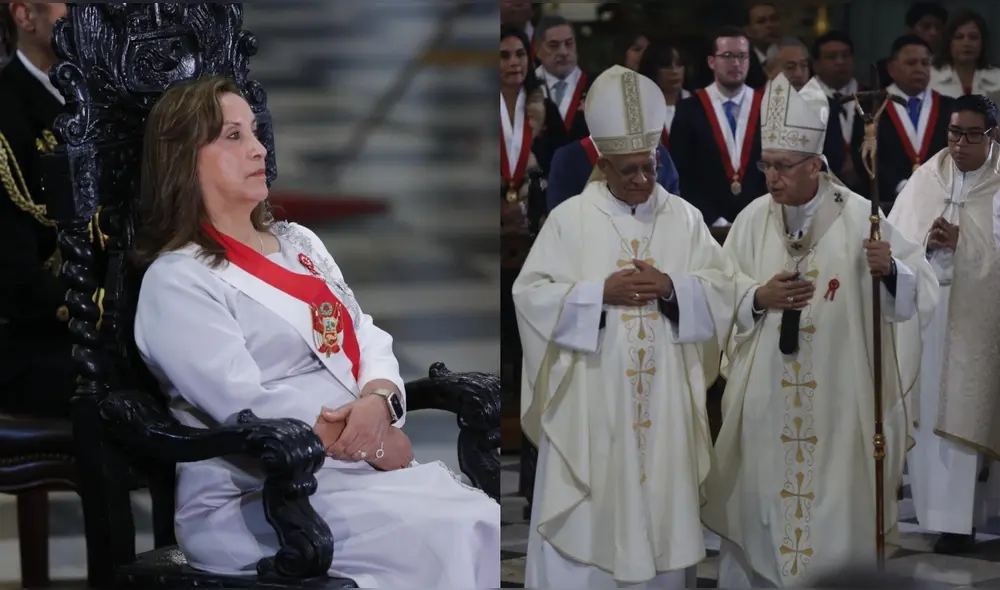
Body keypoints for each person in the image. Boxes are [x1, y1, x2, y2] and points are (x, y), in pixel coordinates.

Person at [130, 76, 499, 588]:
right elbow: (243, 405)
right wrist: (370, 443)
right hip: (259, 494)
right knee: (456, 527)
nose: (259, 148)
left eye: (255, 132)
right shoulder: (178, 280)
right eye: (232, 136)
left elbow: (365, 334)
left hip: (353, 468)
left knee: (478, 521)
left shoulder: (297, 241)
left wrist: (380, 402)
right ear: (184, 158)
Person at [513, 64, 754, 589]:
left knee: (659, 511)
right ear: (602, 164)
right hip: (592, 402)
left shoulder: (684, 219)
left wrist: (672, 287)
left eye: (650, 166)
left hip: (664, 401)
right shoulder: (570, 220)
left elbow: (724, 288)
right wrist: (599, 293)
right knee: (591, 508)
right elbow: (530, 296)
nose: (643, 180)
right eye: (629, 171)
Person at [702, 73, 939, 587]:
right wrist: (757, 298)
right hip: (766, 403)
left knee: (835, 519)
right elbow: (719, 292)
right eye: (766, 165)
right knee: (761, 512)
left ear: (816, 165)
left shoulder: (861, 219)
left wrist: (891, 270)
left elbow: (926, 288)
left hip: (839, 402)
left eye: (784, 167)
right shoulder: (749, 221)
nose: (772, 177)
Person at [889, 93, 1000, 555]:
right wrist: (925, 244)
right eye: (954, 133)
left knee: (971, 410)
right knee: (932, 413)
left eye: (972, 135)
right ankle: (945, 521)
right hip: (930, 316)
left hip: (981, 323)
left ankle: (969, 517)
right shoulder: (925, 179)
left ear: (992, 136)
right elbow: (896, 243)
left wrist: (965, 243)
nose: (960, 144)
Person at [0, 2, 76, 417]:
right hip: (36, 337)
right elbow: (17, 280)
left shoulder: (111, 96)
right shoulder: (8, 114)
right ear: (25, 16)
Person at [671, 26, 767, 231]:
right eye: (727, 56)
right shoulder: (689, 109)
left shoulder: (767, 108)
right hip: (706, 226)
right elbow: (681, 175)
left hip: (760, 223)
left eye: (742, 56)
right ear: (711, 61)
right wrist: (714, 220)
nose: (735, 63)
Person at [853, 34, 953, 211]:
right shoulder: (872, 106)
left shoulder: (949, 107)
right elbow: (863, 155)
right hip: (889, 203)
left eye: (924, 63)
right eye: (911, 63)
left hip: (941, 200)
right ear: (892, 68)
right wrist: (900, 186)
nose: (919, 68)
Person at [929, 10, 1000, 98]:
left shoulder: (997, 78)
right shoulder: (930, 78)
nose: (966, 43)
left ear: (982, 43)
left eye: (973, 37)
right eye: (959, 37)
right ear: (949, 42)